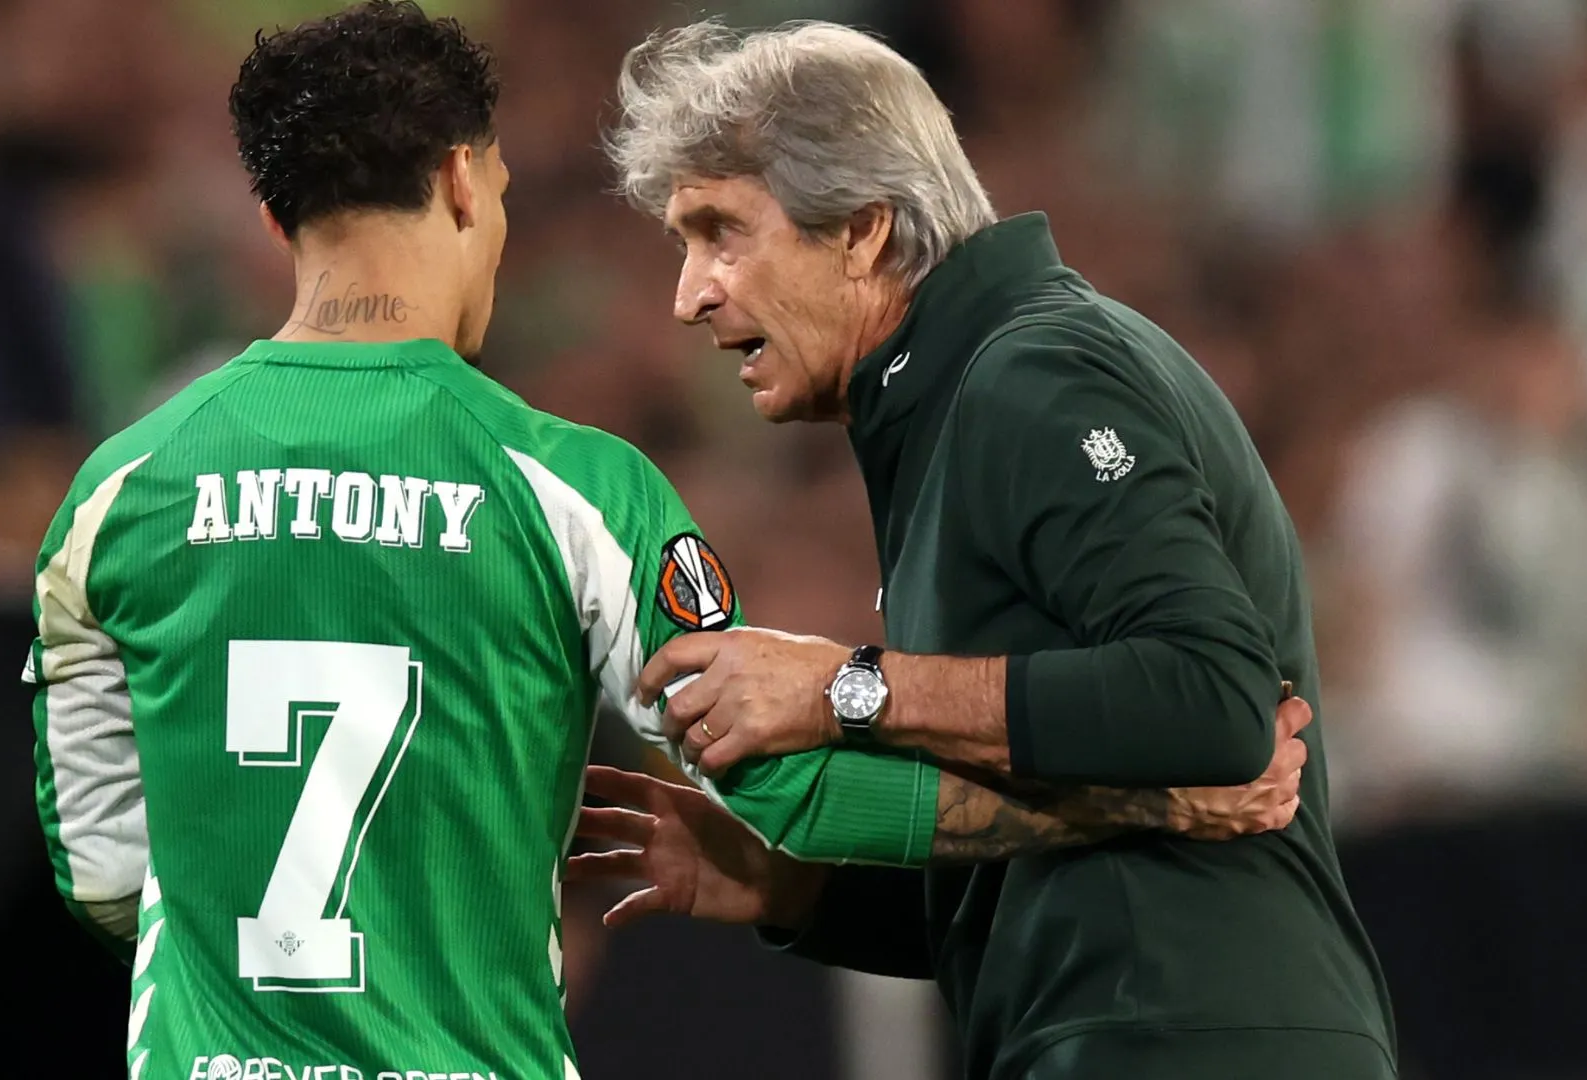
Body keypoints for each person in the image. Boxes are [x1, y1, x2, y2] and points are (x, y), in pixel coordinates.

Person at [25, 5, 1310, 1077]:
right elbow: (791, 787)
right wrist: (1129, 807)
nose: (689, 290)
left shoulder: (117, 493)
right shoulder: (576, 488)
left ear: (273, 221)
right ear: (467, 181)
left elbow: (103, 873)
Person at [577, 19, 1398, 1080]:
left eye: (721, 232)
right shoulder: (960, 400)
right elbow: (1053, 882)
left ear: (863, 230)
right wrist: (791, 886)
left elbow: (1215, 699)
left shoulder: (1034, 373)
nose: (689, 294)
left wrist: (846, 688)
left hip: (1185, 1042)